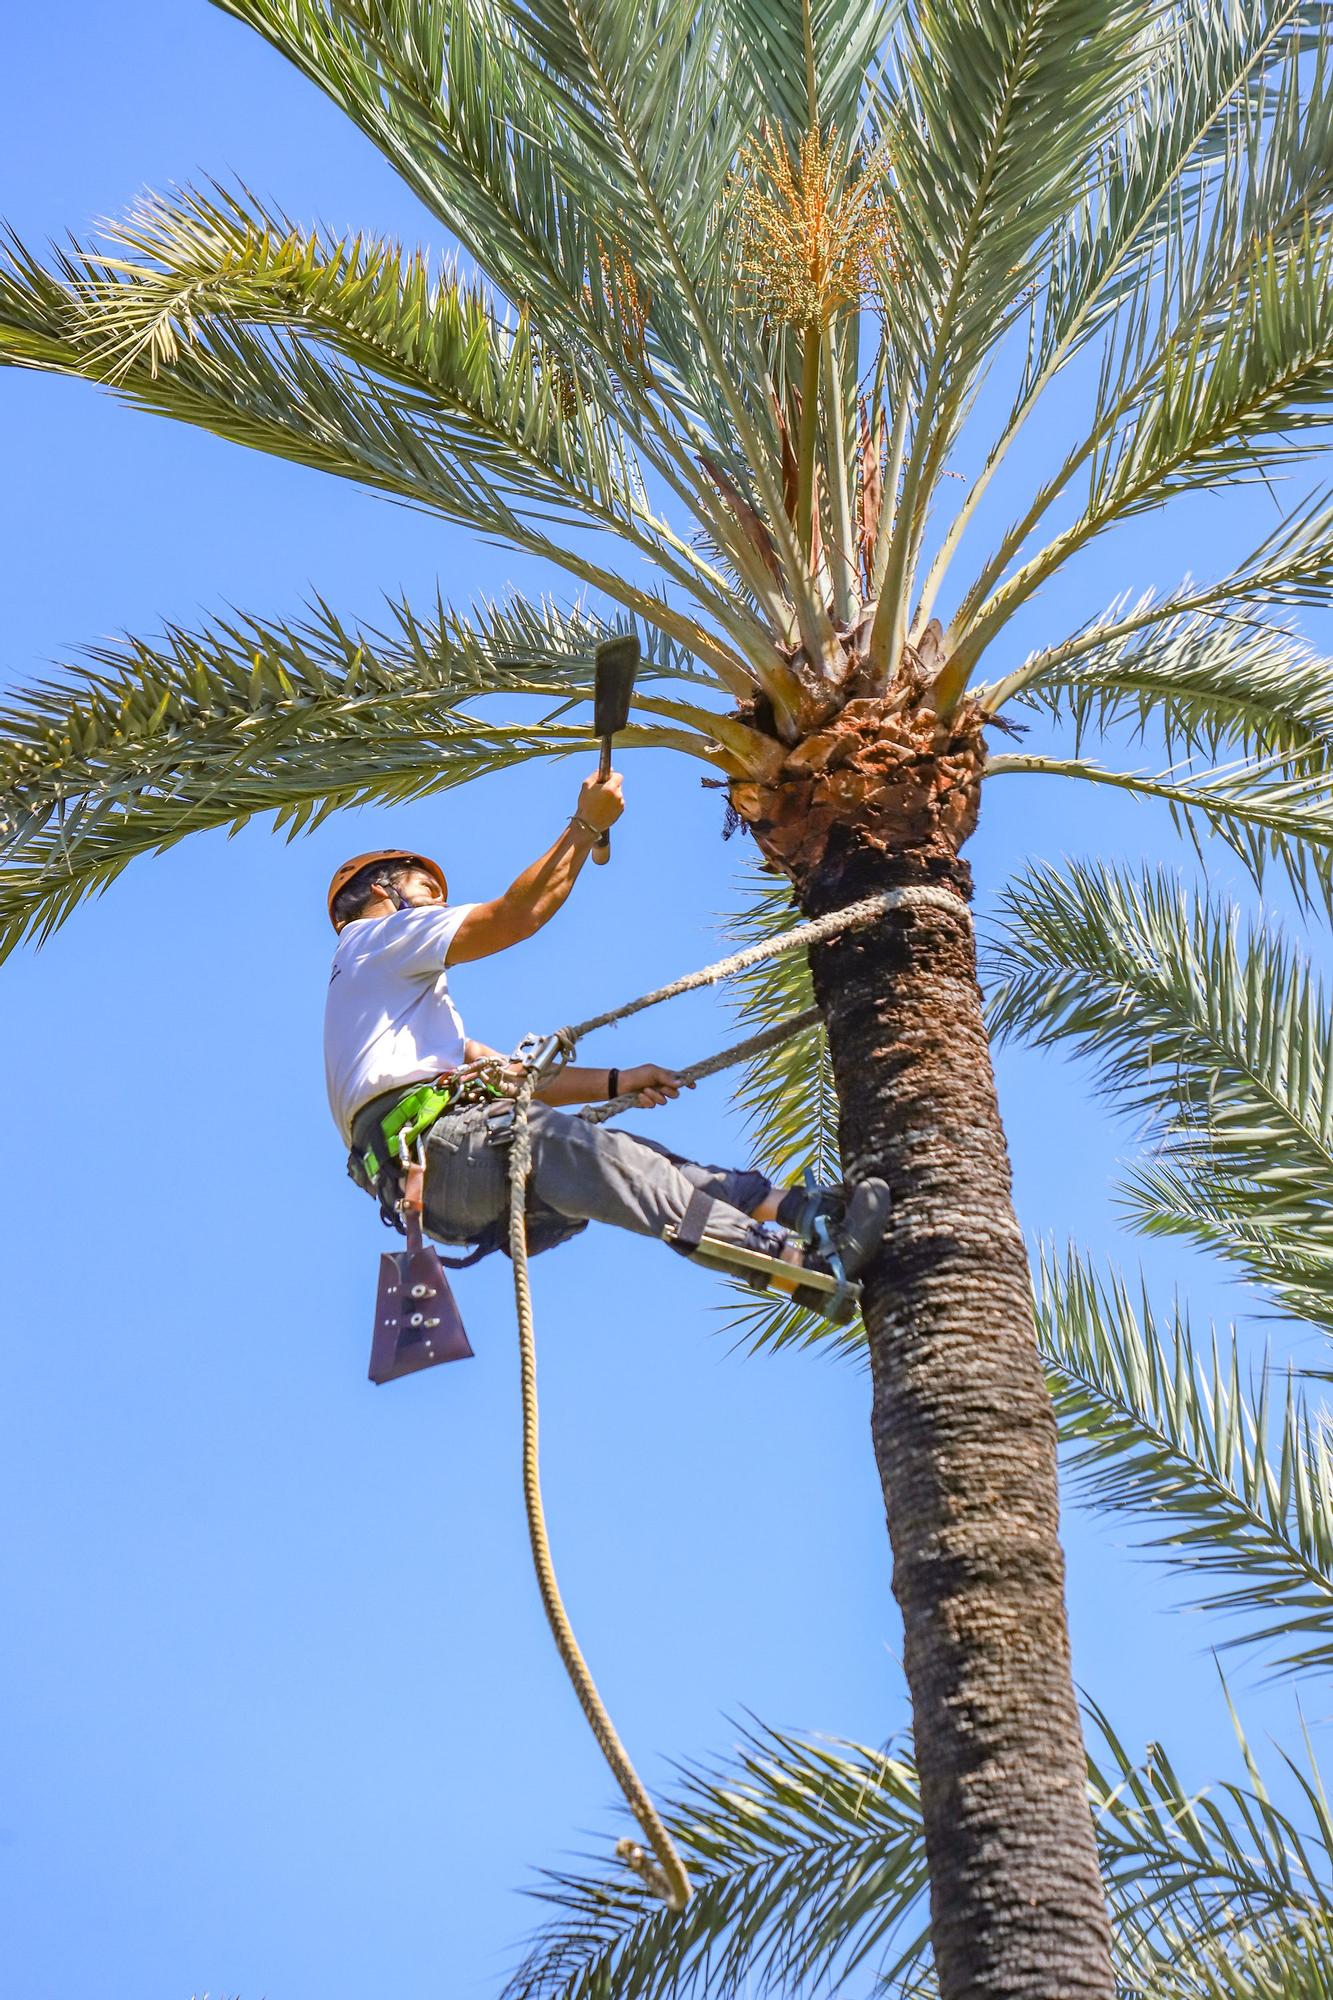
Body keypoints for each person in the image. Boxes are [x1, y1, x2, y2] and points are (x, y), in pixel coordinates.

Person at [323, 768, 889, 1320]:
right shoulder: (379, 936)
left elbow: (516, 1079)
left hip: (442, 1182)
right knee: (627, 1170)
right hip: (446, 1155)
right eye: (427, 891)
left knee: (648, 1162)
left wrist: (618, 1080)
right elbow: (516, 915)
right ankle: (804, 1268)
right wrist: (585, 826)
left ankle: (804, 1211)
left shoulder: (390, 1014)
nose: (442, 906)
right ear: (383, 890)